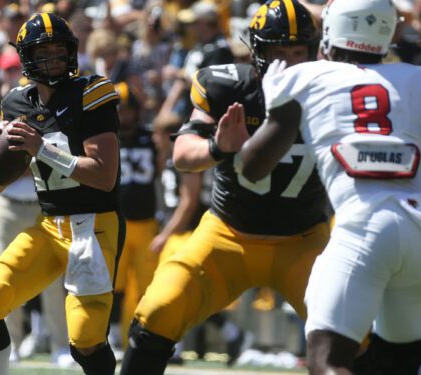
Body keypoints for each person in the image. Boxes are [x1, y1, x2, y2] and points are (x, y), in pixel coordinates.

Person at [236, 0, 421, 373]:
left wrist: (274, 96)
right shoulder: (415, 79)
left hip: (363, 227)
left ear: (331, 32)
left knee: (327, 359)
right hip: (420, 231)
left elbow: (253, 167)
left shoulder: (307, 77)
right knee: (406, 360)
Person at [119, 1, 329, 373]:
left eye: (299, 52)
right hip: (228, 236)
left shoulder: (332, 90)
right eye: (279, 52)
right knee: (158, 310)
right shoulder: (230, 86)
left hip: (304, 241)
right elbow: (183, 153)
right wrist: (218, 147)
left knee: (357, 337)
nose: (291, 62)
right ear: (258, 52)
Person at [0, 12, 123, 375]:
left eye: (59, 51)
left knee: (85, 343)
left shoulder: (92, 93)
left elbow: (104, 176)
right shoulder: (17, 102)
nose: (54, 59)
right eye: (44, 53)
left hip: (93, 227)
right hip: (49, 225)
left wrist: (42, 150)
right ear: (27, 58)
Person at [0, 122, 71, 365]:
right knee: (7, 275)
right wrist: (26, 163)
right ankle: (12, 344)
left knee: (52, 277)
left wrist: (17, 164)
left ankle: (60, 345)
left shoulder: (47, 130)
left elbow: (55, 167)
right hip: (7, 207)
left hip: (41, 207)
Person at [109, 82, 159, 355]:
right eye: (120, 110)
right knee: (115, 285)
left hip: (146, 222)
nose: (125, 116)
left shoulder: (150, 137)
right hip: (117, 224)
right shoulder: (106, 137)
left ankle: (146, 337)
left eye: (128, 110)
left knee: (147, 286)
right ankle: (115, 337)